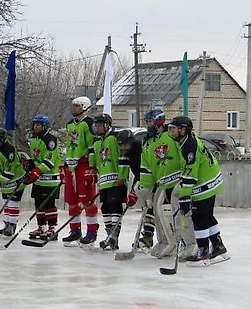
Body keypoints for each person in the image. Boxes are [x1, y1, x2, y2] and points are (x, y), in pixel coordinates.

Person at [167, 116, 229, 266]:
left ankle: (203, 251)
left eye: (174, 128)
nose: (171, 131)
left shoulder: (189, 145)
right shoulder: (187, 141)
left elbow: (190, 171)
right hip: (211, 181)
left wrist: (185, 196)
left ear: (183, 130)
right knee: (207, 216)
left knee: (199, 218)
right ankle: (218, 246)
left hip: (204, 184)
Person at [138, 108, 195, 259]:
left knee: (180, 215)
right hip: (161, 184)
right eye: (147, 122)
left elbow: (185, 159)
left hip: (176, 181)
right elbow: (146, 167)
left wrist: (186, 179)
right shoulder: (148, 142)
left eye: (150, 121)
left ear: (159, 122)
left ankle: (189, 244)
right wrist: (146, 188)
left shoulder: (171, 138)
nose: (148, 125)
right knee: (157, 214)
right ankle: (164, 241)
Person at [59, 96, 98, 245]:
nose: (73, 108)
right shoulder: (70, 124)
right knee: (71, 199)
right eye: (73, 105)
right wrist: (65, 164)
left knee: (87, 199)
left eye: (77, 106)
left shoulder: (89, 124)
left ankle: (91, 231)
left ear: (84, 106)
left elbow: (92, 146)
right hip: (71, 166)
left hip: (83, 165)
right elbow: (69, 145)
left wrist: (92, 167)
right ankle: (75, 230)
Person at [88, 114, 129, 250]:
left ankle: (114, 236)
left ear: (107, 125)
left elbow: (123, 158)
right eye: (96, 125)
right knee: (105, 207)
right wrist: (93, 171)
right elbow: (95, 161)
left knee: (114, 206)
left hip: (115, 180)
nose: (97, 127)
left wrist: (122, 176)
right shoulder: (97, 142)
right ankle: (109, 235)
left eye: (100, 125)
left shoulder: (115, 138)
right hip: (104, 181)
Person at [24, 115, 60, 241]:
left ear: (45, 126)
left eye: (38, 125)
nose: (36, 127)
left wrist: (37, 171)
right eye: (35, 125)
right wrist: (30, 165)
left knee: (49, 204)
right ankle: (41, 227)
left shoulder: (51, 140)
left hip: (50, 179)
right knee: (38, 203)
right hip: (39, 179)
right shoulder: (34, 140)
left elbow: (49, 162)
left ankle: (52, 228)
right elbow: (36, 159)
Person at [0, 127, 27, 239]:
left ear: (2, 139)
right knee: (6, 202)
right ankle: (6, 224)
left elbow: (10, 171)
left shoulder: (9, 151)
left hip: (16, 179)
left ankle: (12, 226)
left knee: (13, 202)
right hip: (4, 180)